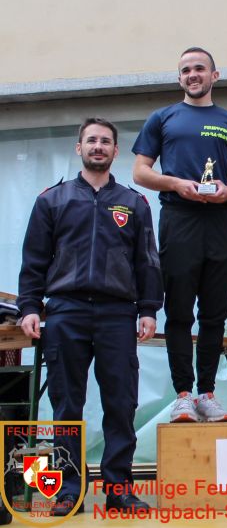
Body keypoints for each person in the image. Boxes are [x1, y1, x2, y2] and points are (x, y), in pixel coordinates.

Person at [17, 118, 163, 515]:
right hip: (66, 312)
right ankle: (69, 492)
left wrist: (149, 309)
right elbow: (34, 258)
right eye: (91, 140)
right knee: (67, 406)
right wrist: (29, 306)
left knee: (121, 404)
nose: (98, 146)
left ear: (116, 151)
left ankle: (119, 490)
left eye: (106, 141)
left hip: (118, 314)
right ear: (78, 148)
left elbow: (147, 261)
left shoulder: (134, 203)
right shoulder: (52, 200)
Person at [132, 47, 227, 423]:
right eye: (185, 70)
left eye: (199, 68)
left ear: (214, 75)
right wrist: (175, 183)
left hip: (220, 222)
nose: (192, 75)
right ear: (179, 77)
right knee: (180, 312)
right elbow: (140, 171)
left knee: (215, 314)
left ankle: (207, 394)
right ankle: (183, 395)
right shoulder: (162, 117)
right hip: (178, 219)